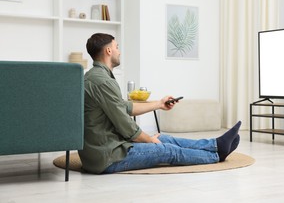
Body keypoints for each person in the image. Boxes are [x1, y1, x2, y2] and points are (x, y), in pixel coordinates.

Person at [78, 33, 241, 174]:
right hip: (107, 157)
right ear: (108, 50)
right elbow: (125, 124)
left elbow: (126, 107)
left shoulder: (97, 76)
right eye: (117, 47)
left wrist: (160, 104)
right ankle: (216, 155)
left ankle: (215, 145)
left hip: (108, 148)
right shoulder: (103, 82)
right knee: (166, 150)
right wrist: (149, 140)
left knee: (164, 138)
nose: (119, 52)